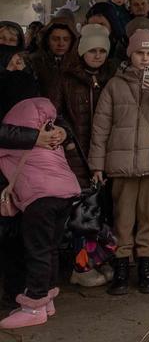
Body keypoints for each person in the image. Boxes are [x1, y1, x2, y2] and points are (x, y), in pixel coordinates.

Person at [89, 29, 149, 295]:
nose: (145, 58)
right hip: (122, 163)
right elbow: (100, 127)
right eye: (140, 53)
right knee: (122, 216)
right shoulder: (115, 84)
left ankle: (146, 265)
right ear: (130, 54)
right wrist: (97, 165)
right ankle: (122, 265)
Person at [0, 97, 81, 329]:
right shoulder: (52, 135)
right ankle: (47, 300)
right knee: (50, 248)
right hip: (65, 193)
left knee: (37, 251)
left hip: (40, 198)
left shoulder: (12, 140)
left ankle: (34, 305)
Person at [50, 23, 111, 188]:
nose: (98, 56)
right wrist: (68, 141)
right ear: (82, 51)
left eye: (102, 51)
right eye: (92, 50)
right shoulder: (65, 78)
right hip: (74, 150)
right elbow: (53, 113)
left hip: (106, 151)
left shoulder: (113, 78)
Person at [27, 22, 77, 97]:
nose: (61, 44)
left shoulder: (78, 63)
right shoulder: (33, 62)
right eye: (55, 39)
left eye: (66, 39)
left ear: (72, 41)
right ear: (47, 40)